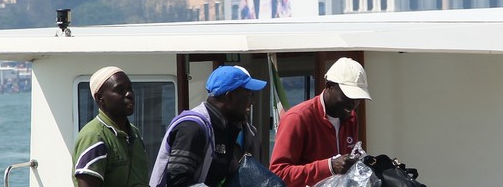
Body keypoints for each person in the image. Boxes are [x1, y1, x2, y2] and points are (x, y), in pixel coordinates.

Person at [150, 66, 268, 187]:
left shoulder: (224, 127)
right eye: (248, 96)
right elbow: (177, 181)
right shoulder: (192, 128)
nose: (252, 102)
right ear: (230, 96)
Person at [269, 57, 371, 187]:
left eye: (358, 97)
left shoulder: (351, 118)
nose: (354, 103)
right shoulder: (297, 118)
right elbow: (278, 173)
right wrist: (329, 166)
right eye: (348, 95)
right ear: (329, 86)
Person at [72, 66, 149, 187]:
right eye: (120, 90)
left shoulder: (135, 133)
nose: (129, 94)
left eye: (130, 88)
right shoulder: (94, 137)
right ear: (100, 98)